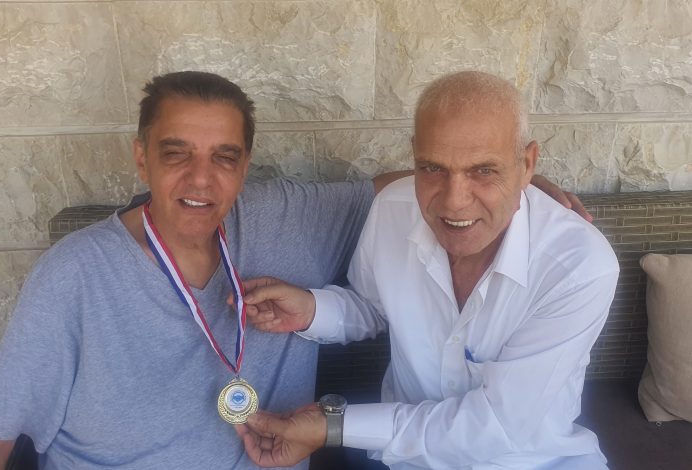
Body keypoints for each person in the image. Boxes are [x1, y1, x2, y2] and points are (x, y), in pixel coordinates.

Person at [0, 71, 587, 469]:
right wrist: (496, 176)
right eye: (176, 154)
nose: (201, 180)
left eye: (224, 157)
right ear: (141, 158)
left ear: (246, 166)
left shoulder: (284, 217)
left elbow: (413, 189)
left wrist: (518, 185)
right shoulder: (72, 275)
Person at [236, 71, 619, 469]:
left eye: (483, 171)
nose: (454, 202)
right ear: (414, 156)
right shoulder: (392, 210)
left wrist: (332, 427)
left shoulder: (579, 266)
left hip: (533, 462)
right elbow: (374, 306)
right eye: (433, 168)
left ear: (527, 165)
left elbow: (495, 425)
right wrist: (311, 310)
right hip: (408, 460)